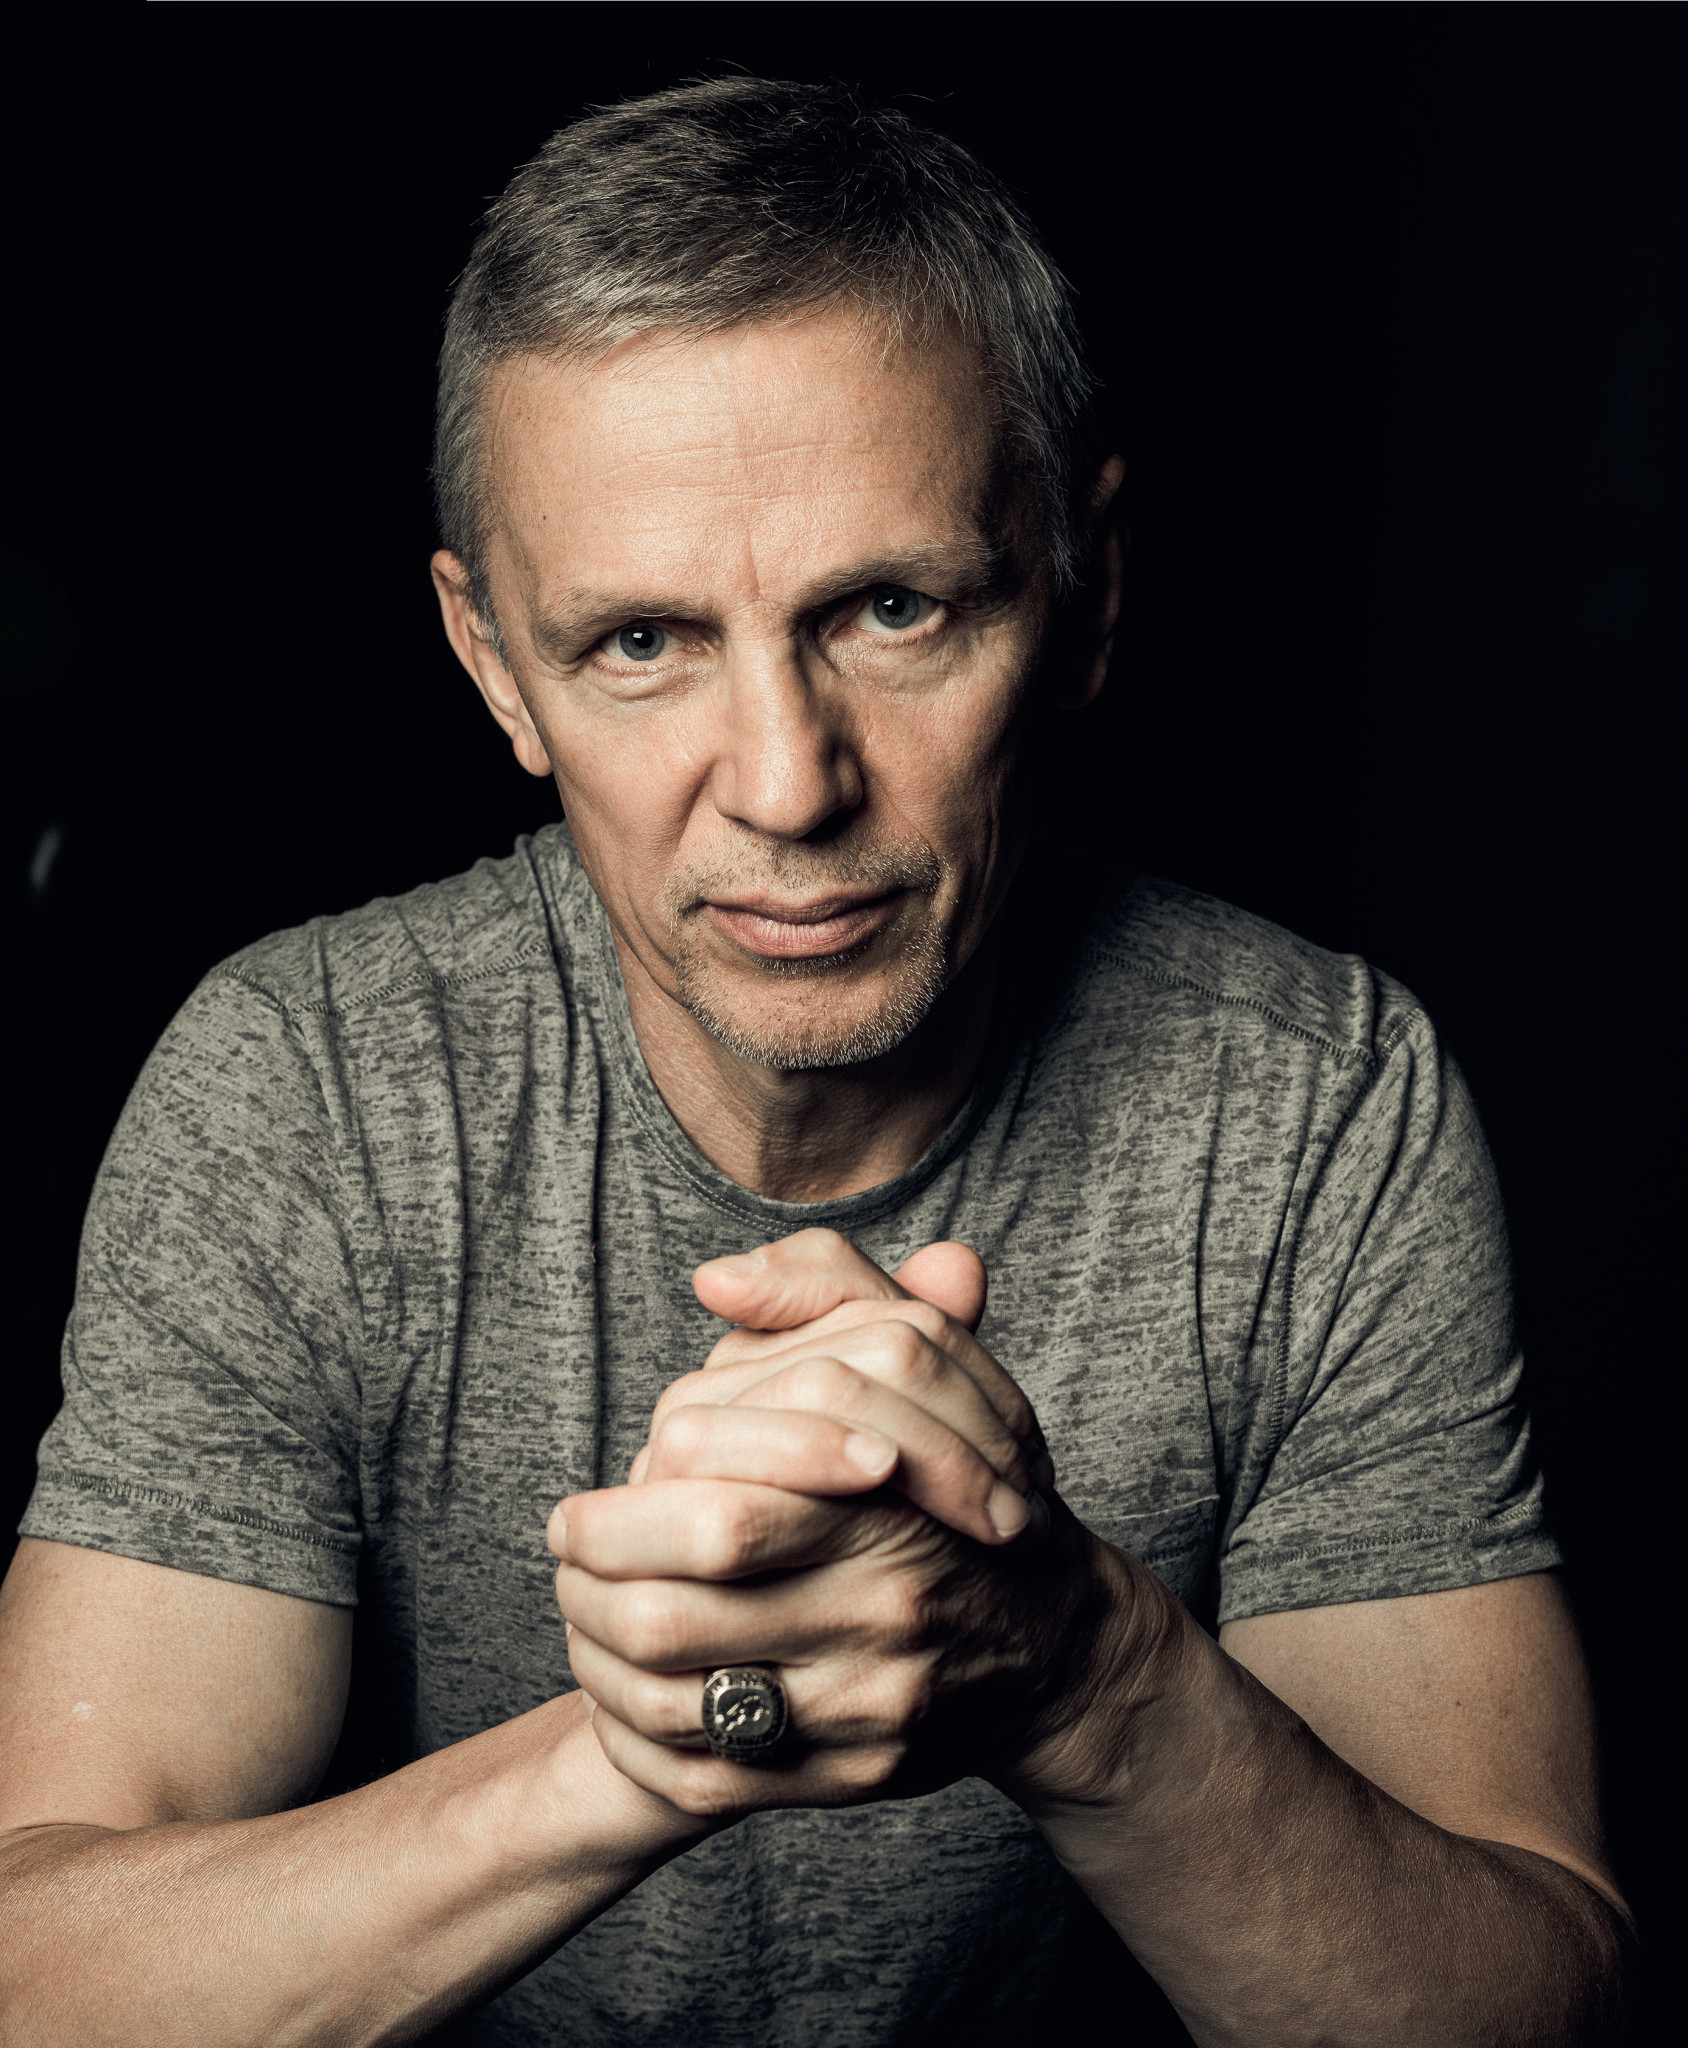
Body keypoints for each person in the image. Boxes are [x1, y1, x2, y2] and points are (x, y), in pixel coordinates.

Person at [0, 77, 1633, 2047]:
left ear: (1084, 591)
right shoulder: (311, 1090)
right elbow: (39, 1974)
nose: (785, 786)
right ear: (494, 662)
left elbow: (1522, 2000)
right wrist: (659, 1738)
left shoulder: (1314, 1108)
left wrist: (1080, 1669)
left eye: (890, 608)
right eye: (640, 642)